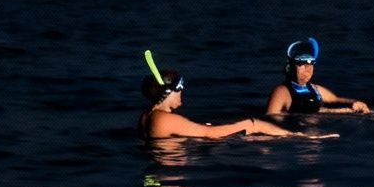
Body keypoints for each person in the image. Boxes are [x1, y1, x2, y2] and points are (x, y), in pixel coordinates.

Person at [137, 53, 327, 140]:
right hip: (171, 178)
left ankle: (293, 136)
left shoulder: (146, 116)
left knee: (253, 135)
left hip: (170, 163)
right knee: (253, 125)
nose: (183, 91)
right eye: (180, 87)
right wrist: (247, 124)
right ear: (168, 91)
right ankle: (300, 137)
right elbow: (210, 135)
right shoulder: (165, 119)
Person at [265, 38, 370, 116]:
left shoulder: (315, 89)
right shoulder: (281, 92)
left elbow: (336, 100)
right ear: (290, 67)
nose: (308, 67)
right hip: (299, 138)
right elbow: (270, 118)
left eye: (311, 63)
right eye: (302, 63)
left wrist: (354, 103)